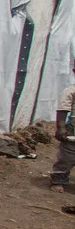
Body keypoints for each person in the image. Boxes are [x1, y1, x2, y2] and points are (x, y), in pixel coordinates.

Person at [51, 62, 75, 192]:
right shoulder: (71, 91)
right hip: (73, 132)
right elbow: (63, 109)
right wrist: (61, 127)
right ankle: (58, 180)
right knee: (66, 158)